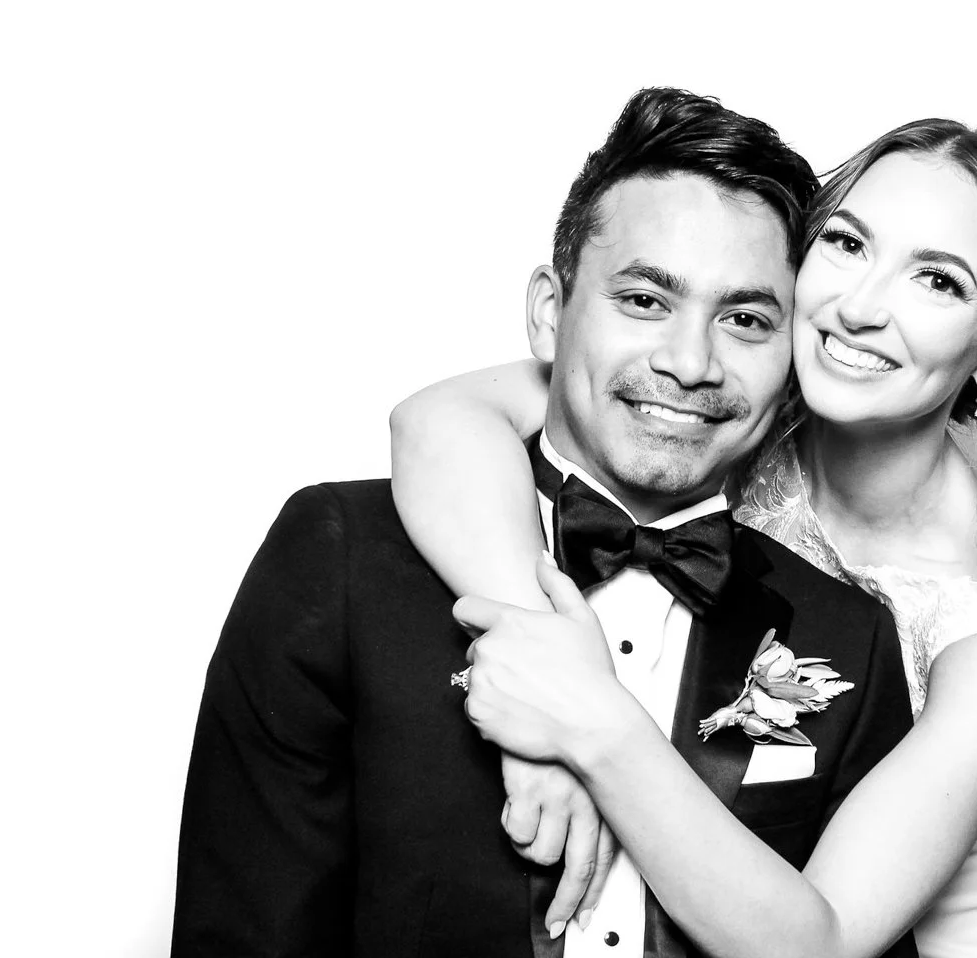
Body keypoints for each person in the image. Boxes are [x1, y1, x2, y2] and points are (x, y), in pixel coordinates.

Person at [172, 88, 920, 958]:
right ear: (549, 312)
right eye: (645, 300)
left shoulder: (850, 635)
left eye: (746, 319)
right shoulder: (342, 557)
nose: (688, 362)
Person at [392, 112, 977, 956]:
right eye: (850, 245)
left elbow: (819, 942)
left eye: (938, 281)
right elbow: (437, 420)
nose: (860, 307)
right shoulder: (721, 397)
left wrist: (587, 722)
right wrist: (536, 662)